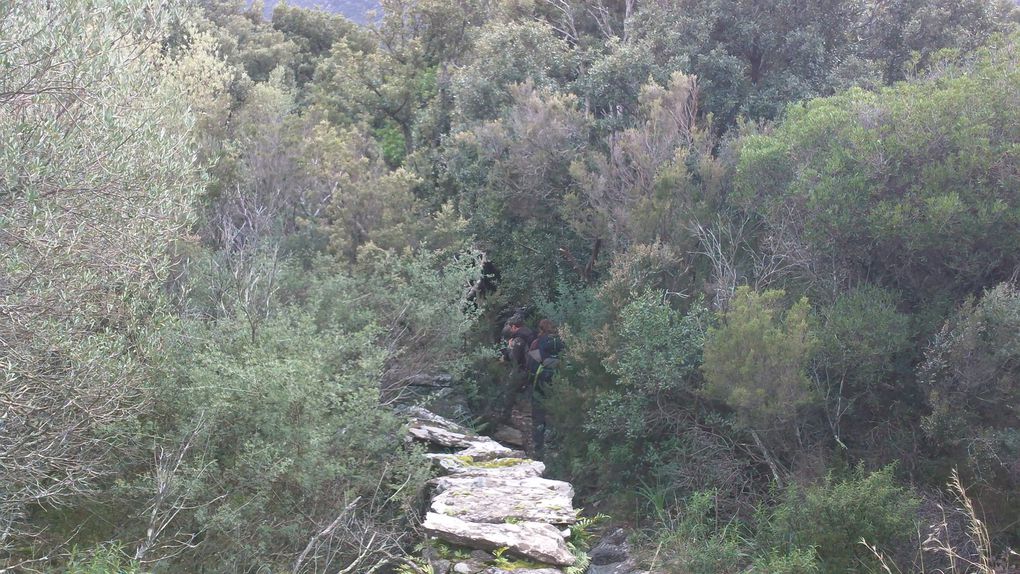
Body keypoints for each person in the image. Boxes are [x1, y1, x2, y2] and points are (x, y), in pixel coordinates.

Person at [526, 319, 564, 458]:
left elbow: (530, 366)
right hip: (559, 384)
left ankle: (538, 449)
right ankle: (555, 448)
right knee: (556, 414)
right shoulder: (562, 343)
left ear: (540, 328)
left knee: (538, 416)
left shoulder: (537, 343)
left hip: (539, 385)